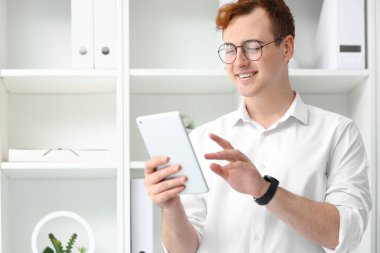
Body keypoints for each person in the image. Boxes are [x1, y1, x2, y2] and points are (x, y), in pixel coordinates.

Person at [143, 0, 372, 252]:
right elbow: (183, 249)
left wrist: (264, 190)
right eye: (230, 49)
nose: (239, 61)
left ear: (286, 48)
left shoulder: (338, 133)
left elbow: (344, 235)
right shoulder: (202, 139)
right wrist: (171, 205)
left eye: (252, 47)